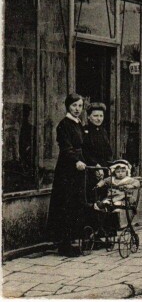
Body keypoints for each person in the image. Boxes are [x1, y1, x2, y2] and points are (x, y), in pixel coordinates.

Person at [46, 93, 88, 257]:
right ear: (68, 106)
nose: (77, 109)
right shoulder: (64, 125)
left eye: (80, 106)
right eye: (74, 105)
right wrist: (76, 161)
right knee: (66, 203)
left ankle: (73, 240)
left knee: (76, 203)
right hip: (67, 169)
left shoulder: (78, 123)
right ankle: (64, 243)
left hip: (79, 168)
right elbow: (66, 147)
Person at [82, 102, 117, 237]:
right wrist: (95, 165)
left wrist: (109, 166)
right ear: (89, 117)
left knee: (105, 199)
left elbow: (108, 151)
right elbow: (84, 152)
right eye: (95, 116)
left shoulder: (103, 131)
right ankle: (91, 233)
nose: (98, 118)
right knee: (93, 200)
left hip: (104, 171)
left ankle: (103, 233)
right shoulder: (85, 131)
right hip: (90, 171)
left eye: (101, 116)